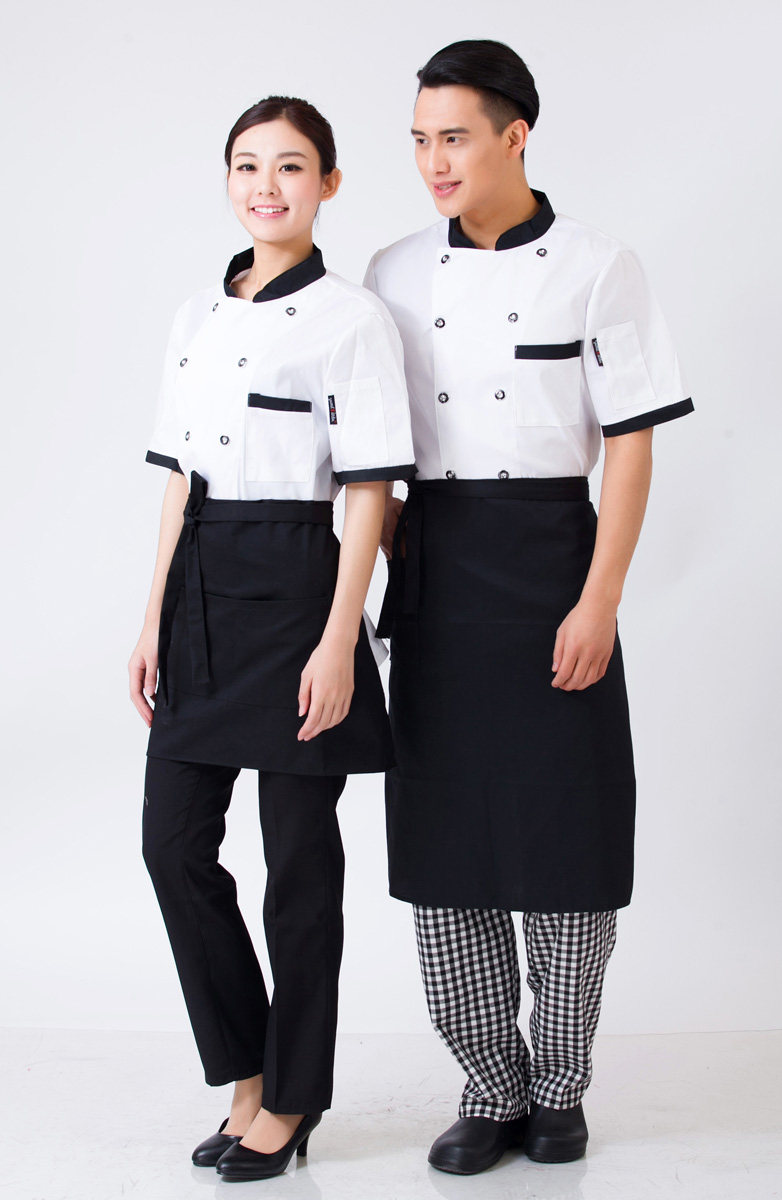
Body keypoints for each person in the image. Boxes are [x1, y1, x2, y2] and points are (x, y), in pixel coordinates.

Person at [365, 40, 693, 1175]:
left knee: (567, 843)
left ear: (515, 136)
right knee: (444, 847)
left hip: (555, 560)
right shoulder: (391, 271)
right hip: (436, 571)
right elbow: (373, 453)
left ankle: (558, 1087)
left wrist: (599, 599)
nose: (433, 161)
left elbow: (630, 444)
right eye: (419, 140)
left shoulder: (598, 268)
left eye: (454, 137)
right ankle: (488, 1085)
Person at [128, 95, 415, 1183]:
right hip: (200, 588)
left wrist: (342, 640)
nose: (266, 185)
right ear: (228, 180)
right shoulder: (196, 315)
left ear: (328, 184)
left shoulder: (352, 319)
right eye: (247, 165)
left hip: (301, 587)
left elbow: (370, 489)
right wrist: (151, 616)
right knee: (172, 847)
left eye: (290, 166)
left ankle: (292, 1101)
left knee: (298, 869)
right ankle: (245, 1074)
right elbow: (178, 478)